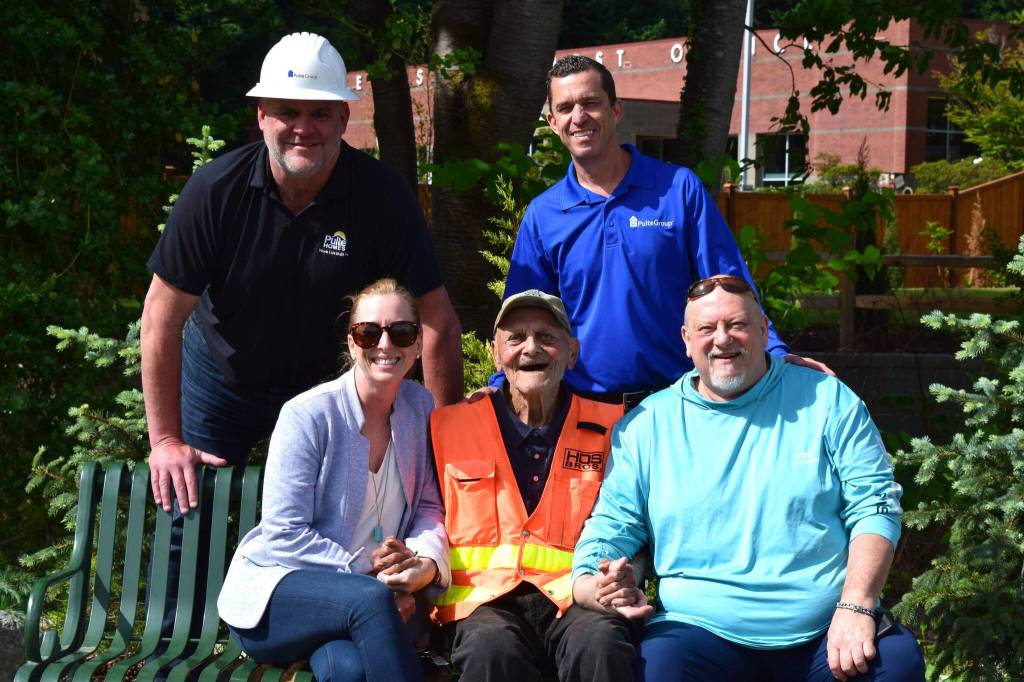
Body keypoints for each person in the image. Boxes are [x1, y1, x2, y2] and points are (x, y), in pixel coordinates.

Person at [142, 31, 462, 516]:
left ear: (343, 117)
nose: (302, 127)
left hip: (328, 391)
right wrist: (165, 439)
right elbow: (159, 319)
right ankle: (186, 596)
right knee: (188, 521)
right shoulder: (214, 191)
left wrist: (441, 442)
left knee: (338, 525)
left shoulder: (383, 198)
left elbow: (437, 320)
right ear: (262, 116)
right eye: (288, 112)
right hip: (221, 382)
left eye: (319, 113)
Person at [571, 275, 926, 682]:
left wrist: (858, 605)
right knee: (653, 670)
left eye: (736, 324)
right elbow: (612, 526)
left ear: (763, 329)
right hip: (695, 631)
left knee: (895, 665)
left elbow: (876, 506)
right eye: (707, 329)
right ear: (686, 340)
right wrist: (595, 583)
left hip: (826, 632)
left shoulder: (828, 400)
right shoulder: (645, 426)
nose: (722, 339)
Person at [502, 55, 828, 409]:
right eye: (565, 107)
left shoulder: (677, 190)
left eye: (590, 103)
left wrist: (776, 354)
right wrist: (496, 387)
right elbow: (523, 315)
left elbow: (729, 284)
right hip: (583, 410)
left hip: (678, 404)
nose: (578, 117)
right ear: (552, 122)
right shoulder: (543, 215)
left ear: (616, 110)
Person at [217, 278, 449, 682]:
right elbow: (283, 533)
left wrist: (421, 564)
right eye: (368, 332)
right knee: (369, 603)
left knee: (347, 669)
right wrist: (369, 575)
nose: (384, 344)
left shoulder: (420, 407)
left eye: (401, 332)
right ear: (351, 342)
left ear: (416, 344)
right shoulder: (308, 416)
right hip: (278, 597)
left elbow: (429, 506)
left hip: (368, 609)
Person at [429, 290, 643, 681]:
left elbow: (634, 521)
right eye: (516, 338)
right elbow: (424, 513)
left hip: (579, 599)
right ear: (496, 354)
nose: (531, 348)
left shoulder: (617, 428)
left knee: (601, 645)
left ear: (572, 352)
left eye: (546, 336)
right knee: (489, 650)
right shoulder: (446, 426)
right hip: (484, 604)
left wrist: (625, 574)